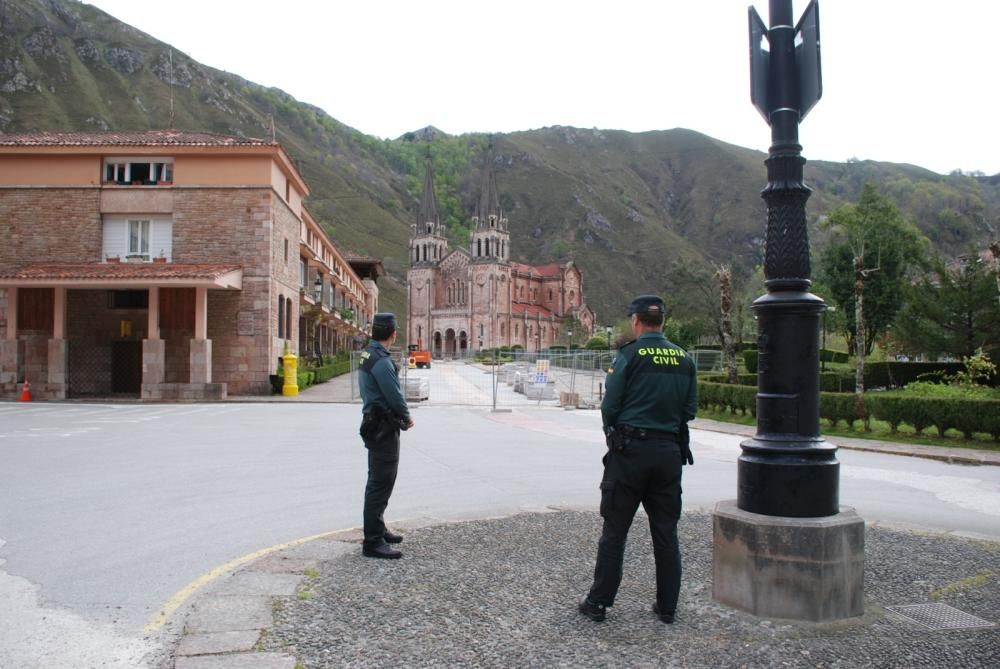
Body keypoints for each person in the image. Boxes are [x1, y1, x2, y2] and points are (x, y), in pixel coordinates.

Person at [579, 295, 697, 623]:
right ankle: (667, 607)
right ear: (663, 322)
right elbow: (689, 409)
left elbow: (610, 405)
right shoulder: (684, 359)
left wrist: (612, 432)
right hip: (669, 452)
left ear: (635, 321)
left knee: (615, 530)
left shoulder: (629, 355)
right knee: (666, 531)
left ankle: (599, 602)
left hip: (631, 452)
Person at [358, 312, 414, 559]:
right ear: (393, 333)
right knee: (381, 482)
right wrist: (407, 416)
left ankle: (378, 529)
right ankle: (372, 541)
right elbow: (393, 394)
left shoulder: (368, 354)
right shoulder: (381, 361)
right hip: (383, 425)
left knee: (378, 479)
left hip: (373, 421)